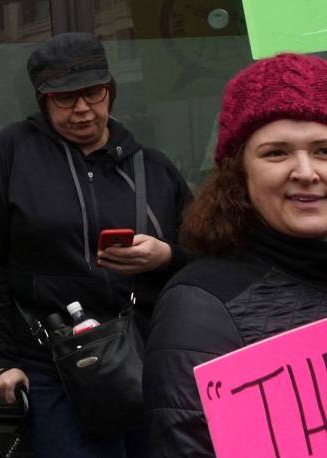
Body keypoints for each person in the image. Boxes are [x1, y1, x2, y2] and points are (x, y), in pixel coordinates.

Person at [0, 32, 192, 458]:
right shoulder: (15, 152)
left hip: (147, 360)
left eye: (93, 92)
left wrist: (166, 256)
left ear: (111, 90)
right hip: (53, 365)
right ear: (43, 100)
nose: (82, 108)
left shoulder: (153, 168)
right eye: (64, 98)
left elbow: (205, 262)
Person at [144, 52, 327, 457]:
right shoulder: (201, 306)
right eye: (276, 152)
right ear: (238, 175)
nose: (306, 171)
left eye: (323, 150)